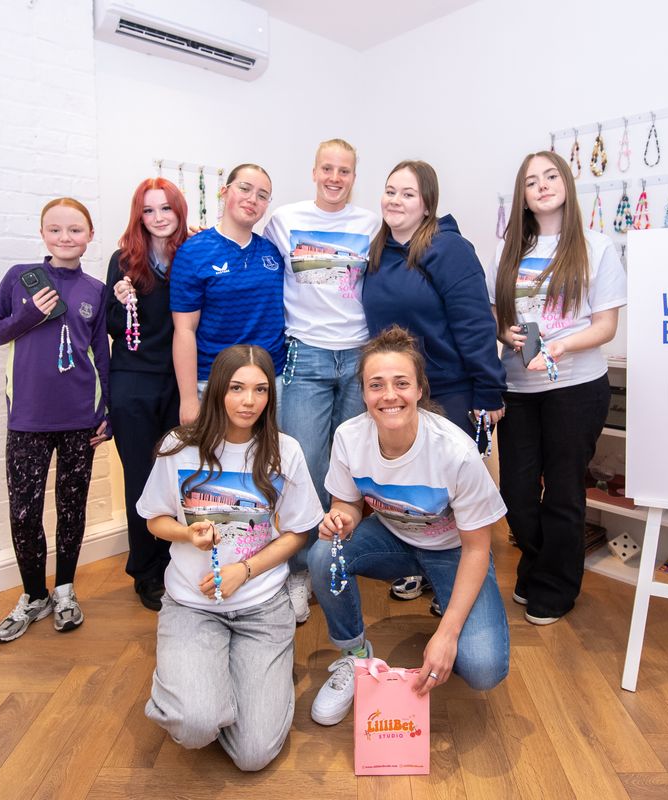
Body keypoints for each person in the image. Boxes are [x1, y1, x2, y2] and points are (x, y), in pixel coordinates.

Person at [307, 326, 510, 726]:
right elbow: (346, 502)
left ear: (420, 390)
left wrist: (447, 635)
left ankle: (452, 615)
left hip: (455, 551)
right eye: (376, 385)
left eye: (401, 383)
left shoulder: (456, 452)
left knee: (484, 668)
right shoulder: (350, 437)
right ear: (363, 393)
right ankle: (354, 656)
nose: (389, 395)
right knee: (321, 553)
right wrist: (341, 519)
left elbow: (477, 546)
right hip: (393, 539)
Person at [136, 345, 322, 771]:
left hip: (262, 609)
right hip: (191, 607)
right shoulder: (179, 446)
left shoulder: (284, 451)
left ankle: (224, 683)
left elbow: (299, 531)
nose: (249, 401)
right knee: (195, 724)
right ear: (218, 390)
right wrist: (185, 532)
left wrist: (246, 569)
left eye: (260, 390)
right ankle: (196, 689)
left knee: (254, 755)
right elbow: (154, 519)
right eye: (237, 388)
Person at [361, 159, 506, 608]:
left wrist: (489, 390)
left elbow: (476, 323)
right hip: (397, 395)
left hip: (449, 389)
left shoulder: (449, 249)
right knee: (410, 489)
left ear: (427, 204)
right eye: (390, 191)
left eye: (407, 193)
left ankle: (464, 581)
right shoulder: (378, 251)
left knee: (454, 493)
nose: (395, 200)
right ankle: (420, 568)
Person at [490, 150, 626, 625]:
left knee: (564, 492)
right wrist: (503, 329)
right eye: (531, 181)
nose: (542, 185)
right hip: (518, 390)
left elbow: (606, 325)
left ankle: (556, 588)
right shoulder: (509, 251)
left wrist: (563, 346)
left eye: (550, 176)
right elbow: (495, 312)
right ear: (523, 197)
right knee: (517, 495)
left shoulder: (596, 247)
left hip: (575, 388)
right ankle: (541, 563)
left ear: (566, 183)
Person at [0, 197, 111, 643]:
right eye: (55, 229)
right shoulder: (19, 279)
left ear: (89, 236)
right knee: (24, 512)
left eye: (75, 230)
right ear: (42, 234)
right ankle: (34, 596)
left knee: (71, 509)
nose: (65, 237)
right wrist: (29, 313)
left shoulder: (96, 289)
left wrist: (106, 412)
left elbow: (103, 357)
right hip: (28, 421)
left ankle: (66, 589)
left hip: (80, 419)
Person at [262, 138, 381, 623]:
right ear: (314, 172)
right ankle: (294, 569)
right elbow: (254, 263)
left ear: (355, 177)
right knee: (304, 466)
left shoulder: (371, 224)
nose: (335, 178)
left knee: (349, 468)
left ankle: (333, 559)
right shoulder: (283, 220)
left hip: (358, 356)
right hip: (304, 355)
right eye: (327, 169)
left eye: (345, 171)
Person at [103, 178, 190, 611]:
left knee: (177, 478)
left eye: (165, 209)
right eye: (149, 211)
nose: (158, 218)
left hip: (179, 382)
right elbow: (114, 329)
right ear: (140, 216)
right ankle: (146, 570)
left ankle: (176, 559)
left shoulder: (191, 255)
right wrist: (121, 301)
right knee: (140, 479)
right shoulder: (123, 261)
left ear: (179, 212)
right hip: (133, 382)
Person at [170, 163, 285, 426]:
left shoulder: (273, 252)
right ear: (224, 192)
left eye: (262, 195)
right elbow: (184, 330)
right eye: (245, 188)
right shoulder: (193, 252)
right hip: (215, 380)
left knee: (267, 463)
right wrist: (188, 399)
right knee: (215, 464)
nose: (252, 199)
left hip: (270, 381)